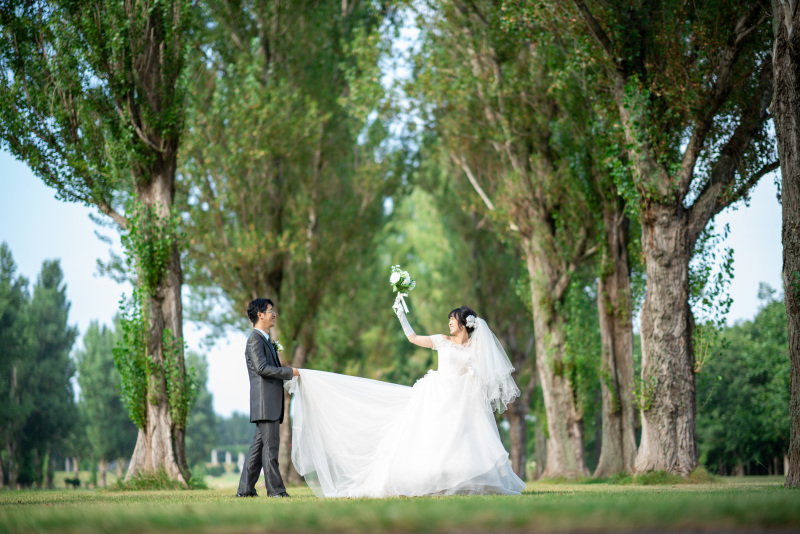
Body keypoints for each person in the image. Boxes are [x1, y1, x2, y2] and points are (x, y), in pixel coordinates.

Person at [283, 297, 526, 498]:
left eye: (453, 319)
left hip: (461, 401)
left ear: (464, 323)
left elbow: (486, 375)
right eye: (450, 319)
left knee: (461, 440)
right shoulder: (443, 341)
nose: (449, 322)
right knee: (431, 437)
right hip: (436, 395)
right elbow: (413, 338)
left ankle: (463, 478)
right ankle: (430, 479)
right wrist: (401, 314)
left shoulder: (477, 348)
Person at [236, 298, 300, 498]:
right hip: (265, 403)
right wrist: (290, 372)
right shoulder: (255, 340)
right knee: (270, 449)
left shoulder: (265, 340)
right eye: (271, 311)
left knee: (258, 449)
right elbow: (262, 369)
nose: (274, 314)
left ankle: (245, 490)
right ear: (260, 315)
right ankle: (276, 491)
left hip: (269, 404)